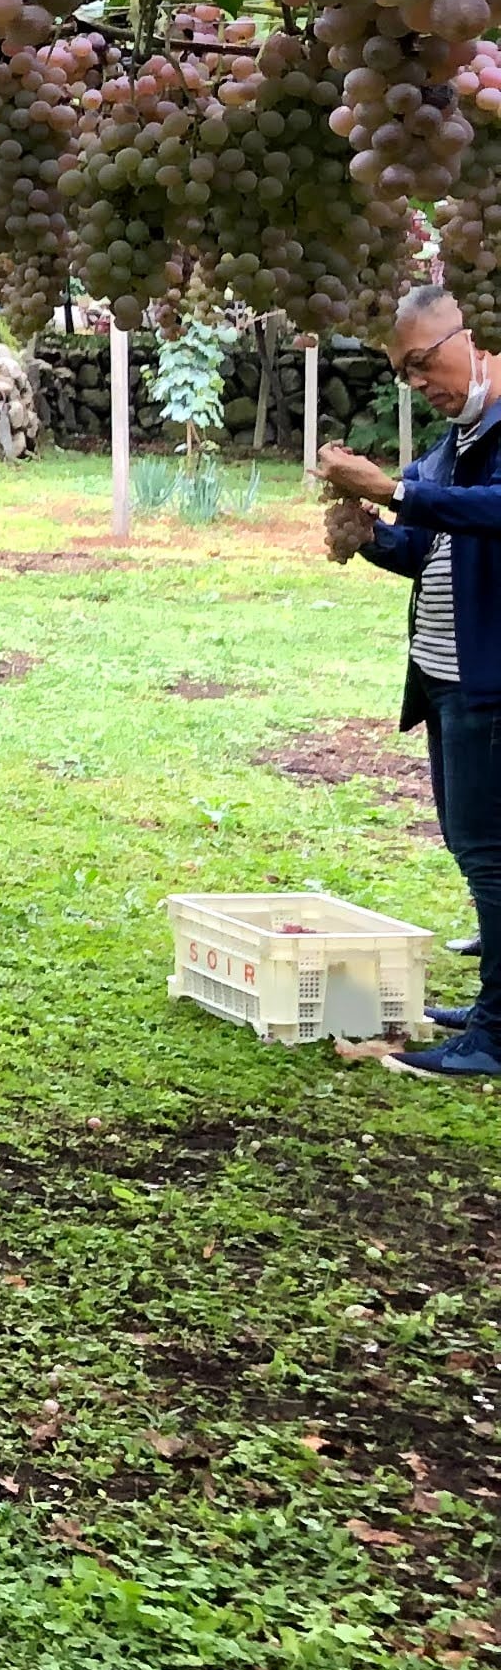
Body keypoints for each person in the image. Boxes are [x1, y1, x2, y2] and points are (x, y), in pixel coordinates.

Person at [322, 280, 501, 1077]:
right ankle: (497, 1004)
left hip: (490, 683)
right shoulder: (453, 444)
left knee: (491, 853)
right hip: (444, 679)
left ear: (478, 340)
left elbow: (492, 511)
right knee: (476, 851)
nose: (419, 382)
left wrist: (392, 490)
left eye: (423, 362)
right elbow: (429, 550)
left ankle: (495, 1034)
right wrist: (367, 532)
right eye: (406, 372)